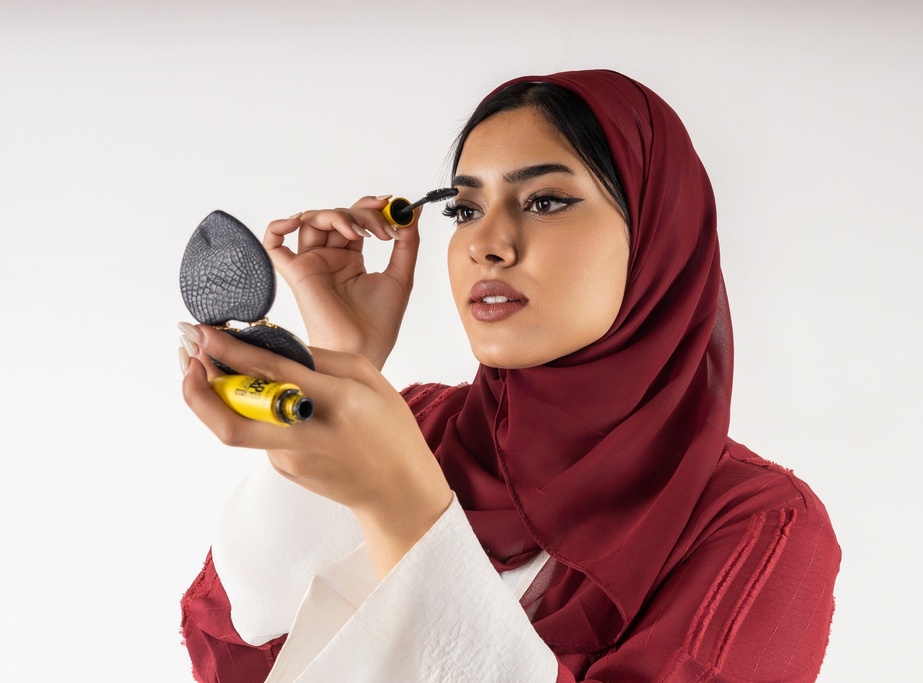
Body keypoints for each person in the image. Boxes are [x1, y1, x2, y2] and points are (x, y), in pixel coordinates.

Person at [178, 69, 841, 682]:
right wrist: (343, 368)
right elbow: (238, 654)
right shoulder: (415, 425)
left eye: (546, 200)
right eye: (465, 209)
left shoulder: (759, 525)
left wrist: (401, 504)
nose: (486, 242)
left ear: (658, 233)